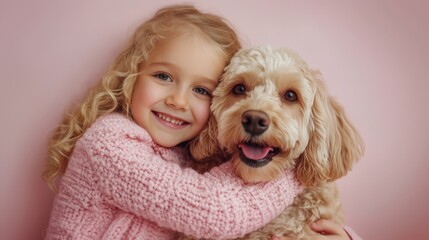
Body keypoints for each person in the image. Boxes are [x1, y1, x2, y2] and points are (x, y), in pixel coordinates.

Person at [42, 4, 303, 240]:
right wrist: (299, 170)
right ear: (132, 76)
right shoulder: (109, 145)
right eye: (164, 76)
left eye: (202, 90)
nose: (178, 101)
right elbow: (217, 213)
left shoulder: (187, 154)